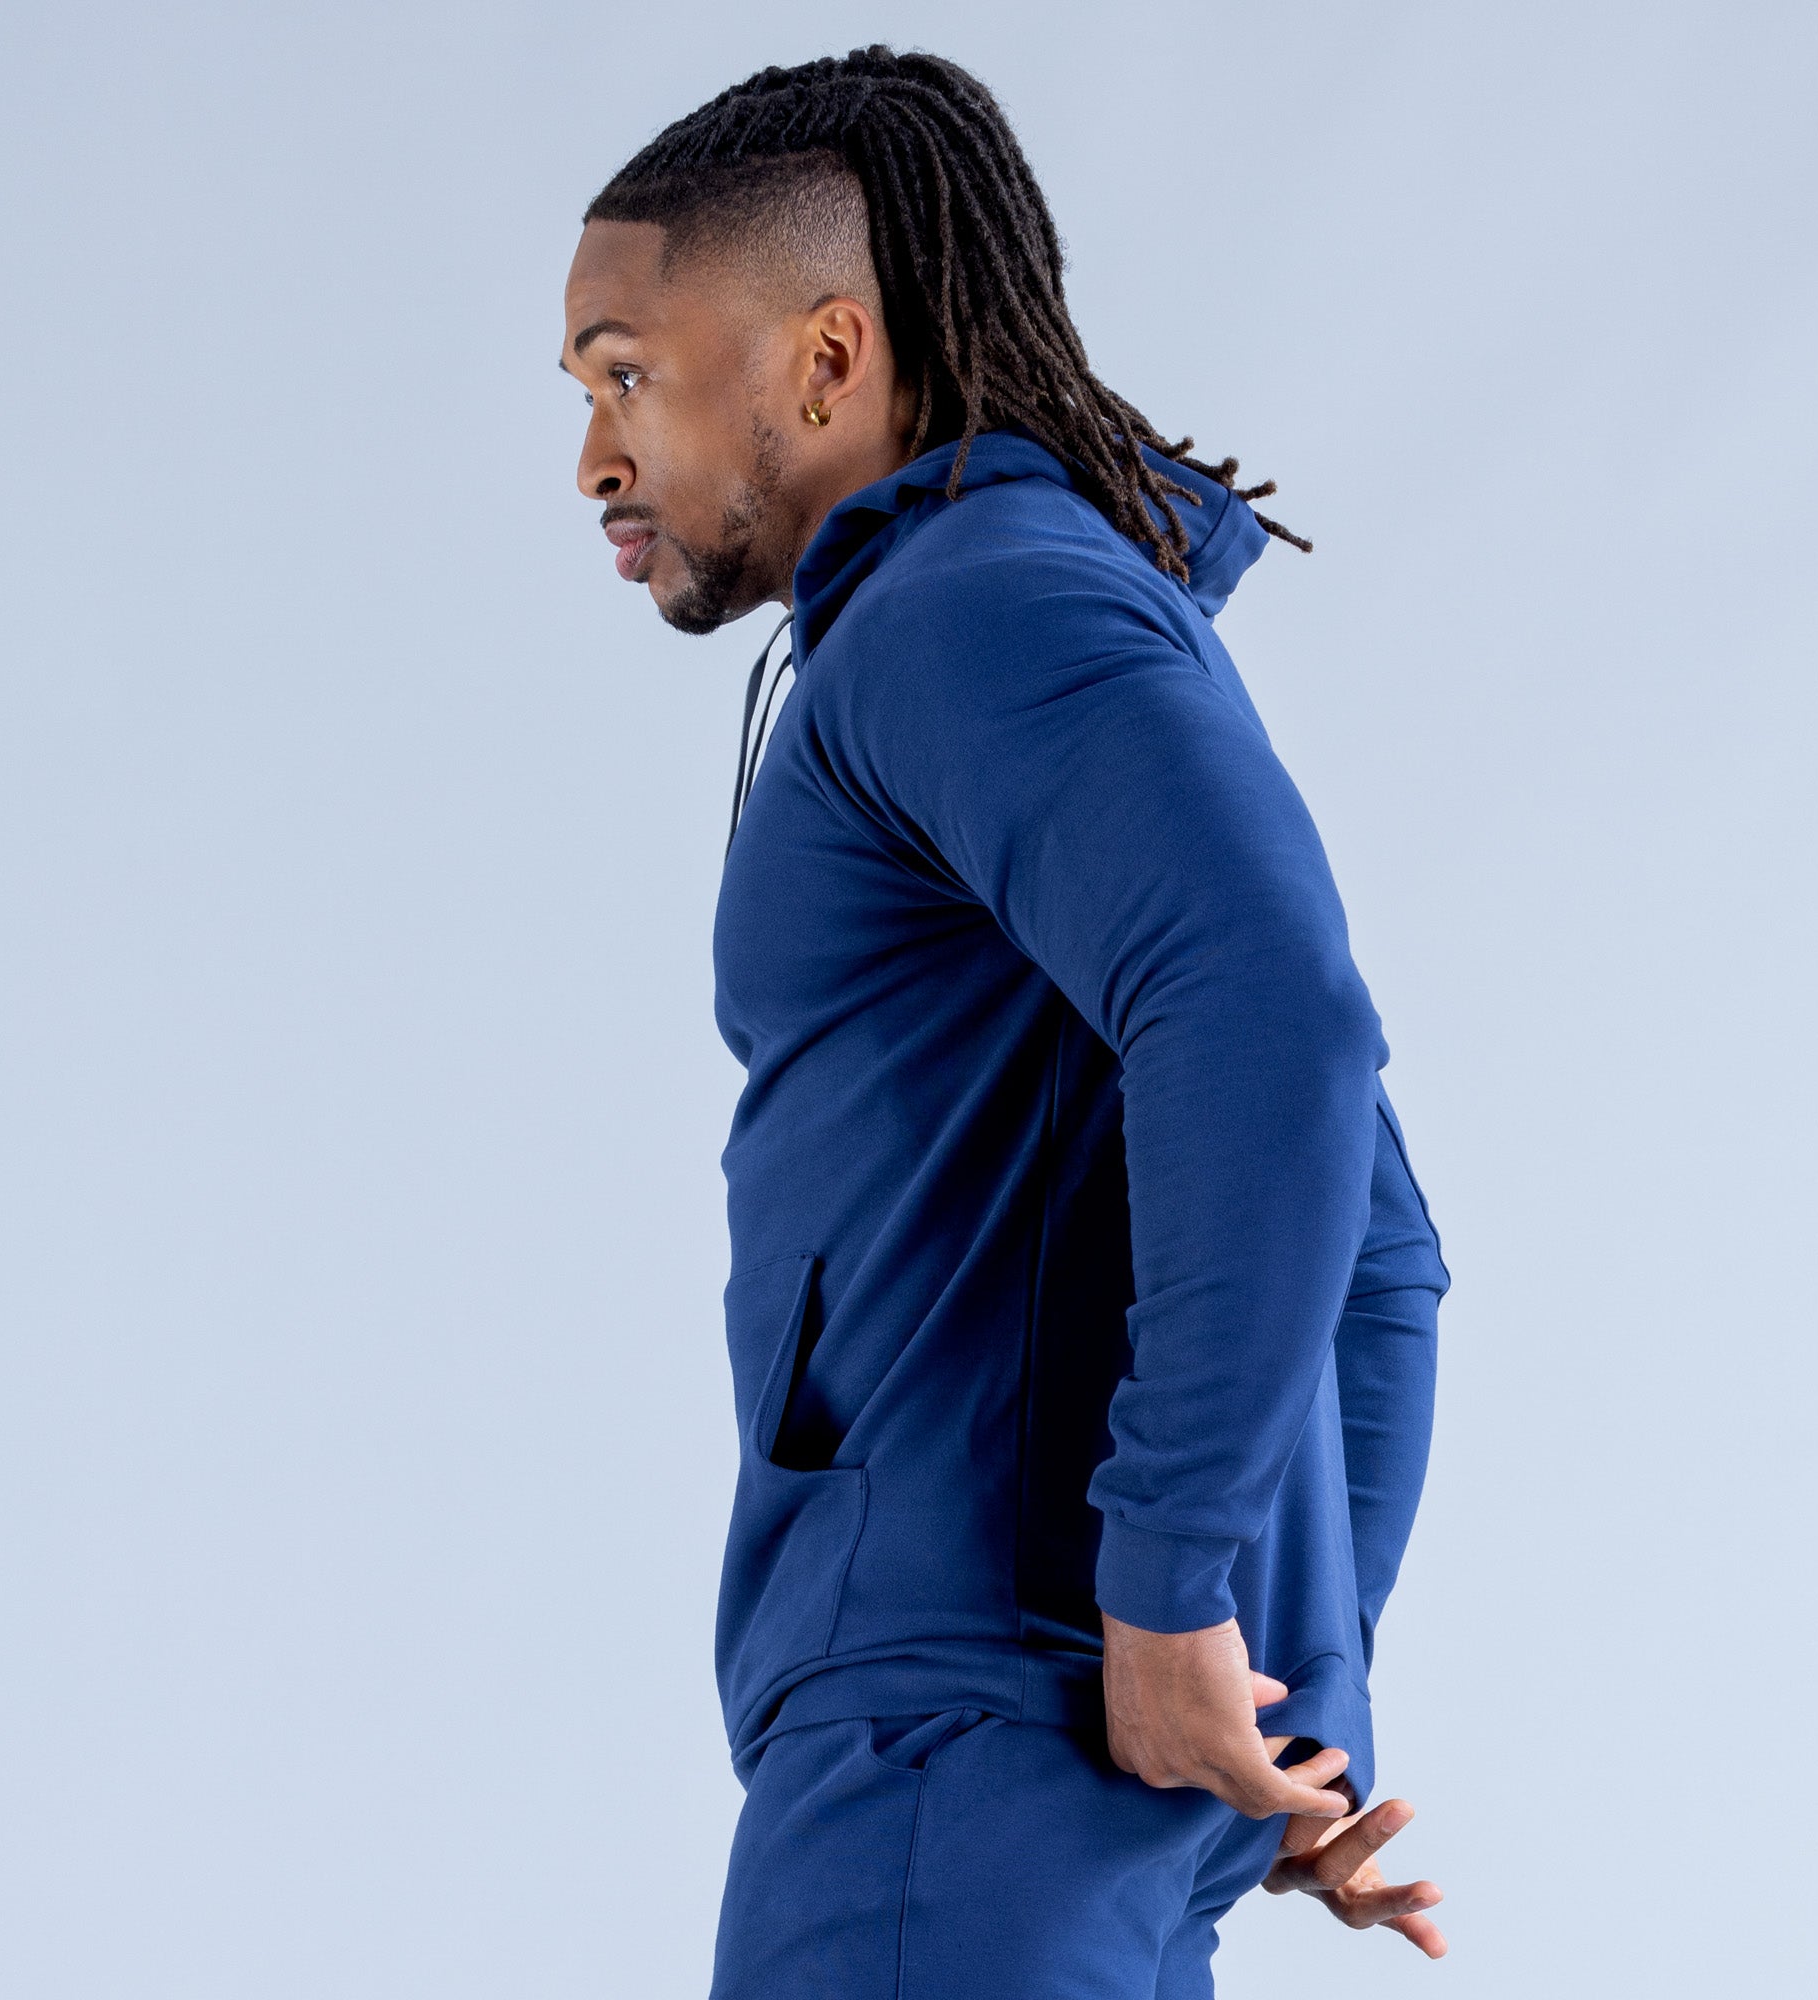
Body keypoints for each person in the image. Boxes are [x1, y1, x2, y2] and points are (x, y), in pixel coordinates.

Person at [562, 47, 1451, 1996]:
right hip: (1066, 1804)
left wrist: (1177, 1589)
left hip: (941, 1775)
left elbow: (1275, 1036)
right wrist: (1268, 1692)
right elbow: (1378, 1248)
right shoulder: (1059, 609)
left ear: (825, 357)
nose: (596, 462)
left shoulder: (968, 614)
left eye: (628, 376)